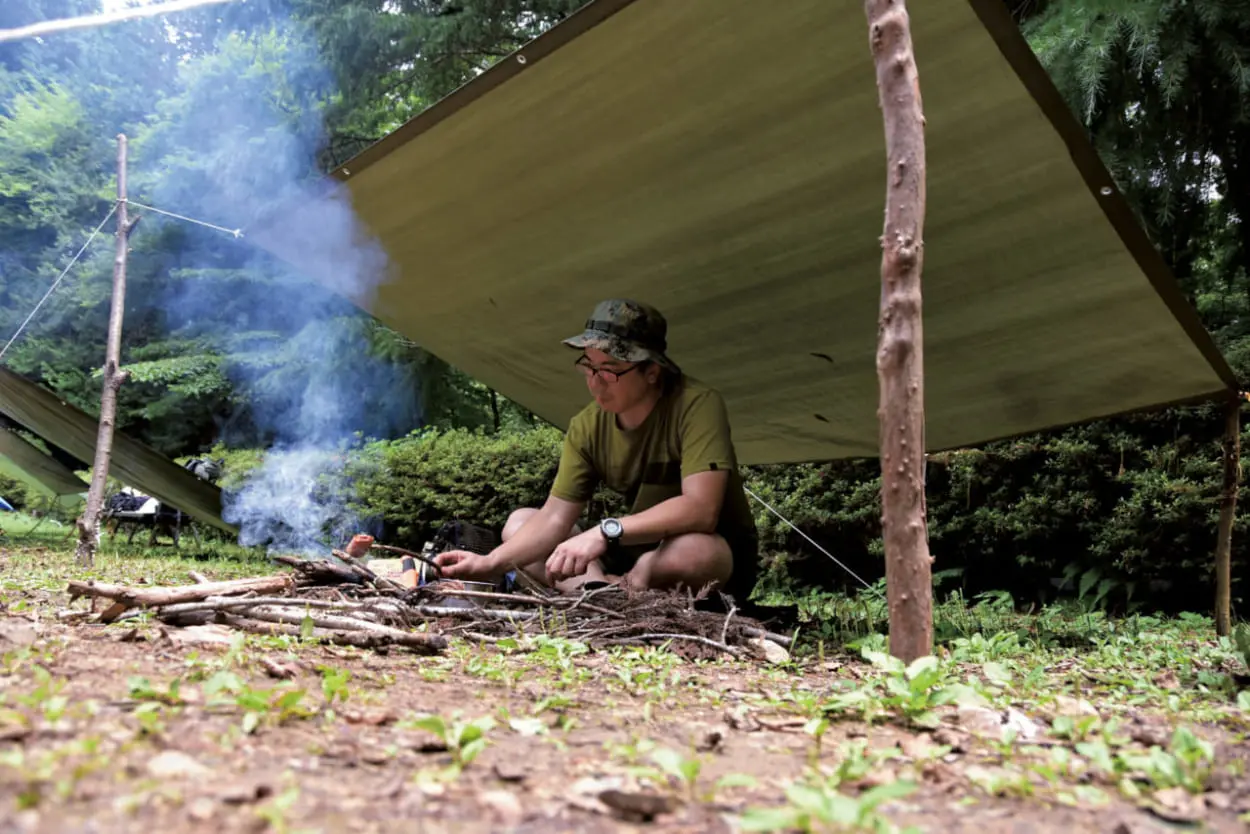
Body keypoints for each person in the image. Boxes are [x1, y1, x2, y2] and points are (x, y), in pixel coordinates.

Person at [434, 298, 760, 603]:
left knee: (695, 552)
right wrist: (489, 563)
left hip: (708, 559)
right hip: (628, 554)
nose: (595, 382)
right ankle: (601, 594)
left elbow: (700, 509)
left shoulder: (697, 405)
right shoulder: (586, 426)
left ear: (652, 372)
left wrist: (606, 531)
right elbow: (554, 518)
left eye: (610, 369)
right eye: (589, 366)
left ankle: (628, 585)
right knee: (519, 524)